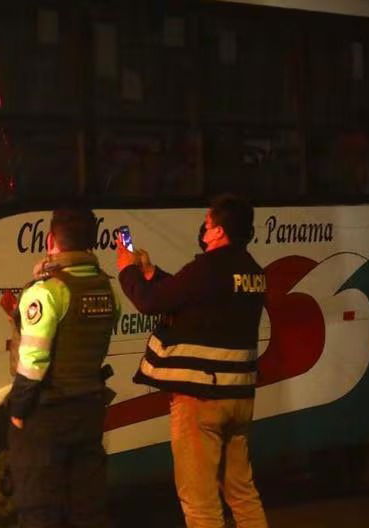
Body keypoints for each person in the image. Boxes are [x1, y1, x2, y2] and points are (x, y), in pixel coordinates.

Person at [116, 193, 268, 528]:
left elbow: (151, 302)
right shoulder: (252, 271)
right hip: (239, 397)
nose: (205, 227)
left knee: (200, 504)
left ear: (218, 232)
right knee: (242, 494)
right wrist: (152, 272)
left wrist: (127, 271)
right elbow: (193, 296)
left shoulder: (208, 268)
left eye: (209, 222)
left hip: (202, 400)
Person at [7, 207, 117, 528]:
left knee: (39, 507)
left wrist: (18, 408)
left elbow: (34, 361)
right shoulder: (108, 289)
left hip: (48, 413)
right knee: (87, 508)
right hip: (90, 407)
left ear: (52, 240)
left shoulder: (47, 291)